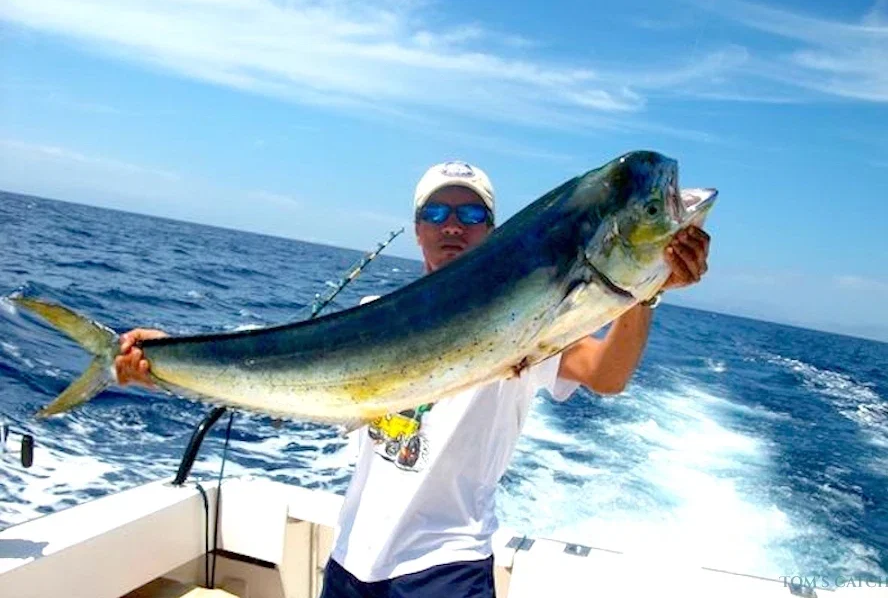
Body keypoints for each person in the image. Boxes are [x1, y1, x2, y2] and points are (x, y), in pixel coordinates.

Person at [115, 161, 711, 598]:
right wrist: (164, 360)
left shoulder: (530, 319)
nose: (453, 225)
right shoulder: (371, 314)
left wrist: (647, 293)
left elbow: (607, 375)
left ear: (493, 230)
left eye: (471, 214)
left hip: (446, 567)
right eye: (437, 213)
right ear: (418, 228)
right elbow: (273, 365)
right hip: (350, 560)